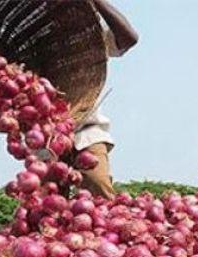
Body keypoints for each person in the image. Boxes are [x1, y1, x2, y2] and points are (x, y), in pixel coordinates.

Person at [76, 0, 138, 199]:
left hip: (86, 131)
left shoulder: (85, 34)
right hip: (45, 137)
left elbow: (128, 39)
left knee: (99, 188)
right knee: (42, 206)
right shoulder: (29, 44)